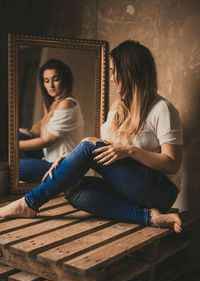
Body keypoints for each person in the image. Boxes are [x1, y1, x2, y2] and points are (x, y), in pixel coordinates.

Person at [1, 40, 183, 233]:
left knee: (84, 148)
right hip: (129, 187)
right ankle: (149, 217)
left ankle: (29, 204)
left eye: (115, 71)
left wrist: (130, 151)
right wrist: (71, 160)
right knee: (72, 189)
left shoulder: (162, 109)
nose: (112, 78)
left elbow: (171, 163)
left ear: (131, 72)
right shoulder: (117, 108)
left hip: (159, 191)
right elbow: (104, 146)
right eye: (111, 71)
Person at [19, 58, 84, 183]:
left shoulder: (67, 104)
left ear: (64, 80)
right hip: (47, 156)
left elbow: (47, 141)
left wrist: (13, 146)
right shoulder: (54, 103)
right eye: (46, 81)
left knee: (16, 165)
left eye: (56, 79)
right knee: (16, 135)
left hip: (61, 165)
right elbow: (39, 133)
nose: (50, 85)